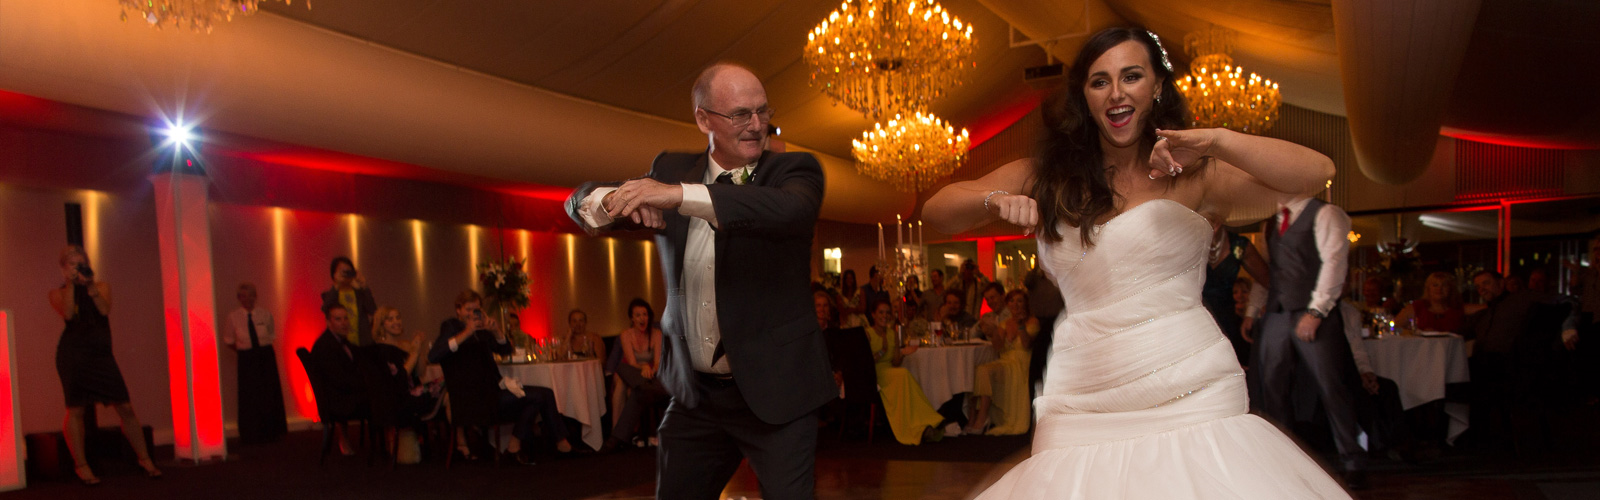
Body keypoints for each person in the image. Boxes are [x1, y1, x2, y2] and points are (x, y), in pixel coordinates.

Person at [923, 27, 1348, 497]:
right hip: (1080, 397)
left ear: (1157, 86)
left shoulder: (1194, 175)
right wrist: (992, 200)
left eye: (1131, 76)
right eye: (1099, 81)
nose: (1116, 93)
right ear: (1084, 97)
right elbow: (937, 210)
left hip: (1189, 389)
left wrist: (1216, 141)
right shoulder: (1049, 176)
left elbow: (1318, 173)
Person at [564, 62, 835, 500]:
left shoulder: (793, 171)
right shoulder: (671, 166)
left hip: (778, 394)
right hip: (696, 399)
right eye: (740, 114)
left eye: (763, 112)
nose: (757, 125)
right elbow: (578, 200)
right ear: (704, 119)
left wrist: (676, 195)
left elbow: (789, 211)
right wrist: (617, 199)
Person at [1257, 193, 1369, 486]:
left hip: (1314, 311)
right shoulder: (1272, 221)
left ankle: (1353, 459)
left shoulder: (1325, 213)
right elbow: (1273, 271)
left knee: (1331, 385)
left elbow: (1334, 263)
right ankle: (1285, 461)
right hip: (1278, 311)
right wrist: (1252, 310)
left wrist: (1317, 311)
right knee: (1272, 386)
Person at [48, 246, 161, 484]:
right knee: (76, 409)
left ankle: (144, 458)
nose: (78, 268)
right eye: (72, 264)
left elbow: (104, 309)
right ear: (63, 268)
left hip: (101, 355)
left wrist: (89, 286)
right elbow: (68, 314)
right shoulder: (57, 293)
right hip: (74, 356)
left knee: (125, 406)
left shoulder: (101, 287)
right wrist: (71, 284)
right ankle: (81, 465)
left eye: (81, 263)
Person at [427, 291, 573, 464]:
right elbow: (434, 355)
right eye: (468, 309)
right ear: (458, 310)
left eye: (476, 309)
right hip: (471, 400)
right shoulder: (451, 326)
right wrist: (467, 332)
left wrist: (496, 331)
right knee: (542, 396)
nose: (473, 314)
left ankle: (520, 446)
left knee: (541, 396)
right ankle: (550, 445)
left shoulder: (482, 331)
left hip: (492, 393)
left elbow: (506, 351)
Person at [863, 299, 945, 445]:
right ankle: (918, 424)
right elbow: (865, 362)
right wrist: (882, 351)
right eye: (881, 312)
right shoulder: (868, 334)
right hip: (875, 373)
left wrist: (903, 353)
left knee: (903, 374)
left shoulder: (892, 334)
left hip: (891, 371)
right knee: (903, 374)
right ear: (873, 314)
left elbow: (895, 362)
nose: (884, 316)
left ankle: (923, 424)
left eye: (887, 313)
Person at [222, 282, 288, 444]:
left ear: (255, 297)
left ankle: (272, 431)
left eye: (251, 295)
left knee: (269, 392)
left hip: (265, 356)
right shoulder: (233, 317)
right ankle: (251, 432)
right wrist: (243, 352)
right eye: (244, 296)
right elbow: (229, 340)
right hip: (247, 358)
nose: (248, 299)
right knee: (249, 395)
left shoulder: (265, 314)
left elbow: (271, 335)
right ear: (239, 298)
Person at [368, 306, 435, 464]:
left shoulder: (403, 345)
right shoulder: (381, 350)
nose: (396, 322)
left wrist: (418, 349)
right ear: (381, 324)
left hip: (411, 391)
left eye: (398, 317)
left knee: (446, 388)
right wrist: (414, 353)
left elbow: (419, 373)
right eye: (390, 319)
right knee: (444, 394)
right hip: (398, 400)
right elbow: (400, 378)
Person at [967, 290, 1039, 436]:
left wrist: (1020, 326)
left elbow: (1026, 345)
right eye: (1012, 301)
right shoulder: (1004, 323)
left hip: (1023, 363)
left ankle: (981, 419)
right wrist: (993, 332)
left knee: (985, 371)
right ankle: (977, 417)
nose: (1015, 304)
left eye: (1019, 301)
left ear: (1025, 303)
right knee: (980, 370)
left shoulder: (1033, 322)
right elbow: (998, 347)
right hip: (1006, 361)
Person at [605, 298, 670, 449]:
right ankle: (617, 430)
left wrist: (651, 370)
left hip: (650, 375)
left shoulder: (657, 334)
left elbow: (657, 362)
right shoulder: (626, 335)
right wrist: (643, 367)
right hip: (632, 371)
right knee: (622, 381)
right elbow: (632, 362)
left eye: (645, 314)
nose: (642, 318)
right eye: (638, 315)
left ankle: (620, 436)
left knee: (636, 391)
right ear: (632, 318)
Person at [1202, 225, 1270, 367]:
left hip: (1228, 321)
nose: (1212, 227)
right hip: (1198, 321)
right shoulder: (1186, 243)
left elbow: (1269, 281)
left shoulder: (1238, 245)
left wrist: (1254, 311)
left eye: (1215, 221)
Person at [310, 304, 369, 455]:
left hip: (344, 395)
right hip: (339, 401)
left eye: (345, 318)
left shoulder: (342, 342)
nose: (344, 323)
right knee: (381, 398)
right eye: (338, 319)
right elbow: (339, 380)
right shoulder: (325, 346)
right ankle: (392, 443)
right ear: (328, 322)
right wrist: (367, 385)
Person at [321, 256, 377, 346]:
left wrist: (364, 286)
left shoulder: (359, 292)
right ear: (334, 274)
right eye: (342, 272)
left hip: (362, 343)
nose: (346, 275)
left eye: (349, 271)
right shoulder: (331, 294)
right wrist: (336, 285)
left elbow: (372, 310)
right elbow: (325, 309)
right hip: (340, 343)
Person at [1394, 272, 1466, 333]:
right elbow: (1394, 328)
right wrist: (1416, 332)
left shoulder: (1457, 308)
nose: (1439, 289)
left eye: (1444, 285)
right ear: (1428, 288)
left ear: (1450, 289)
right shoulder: (1416, 307)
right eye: (1435, 285)